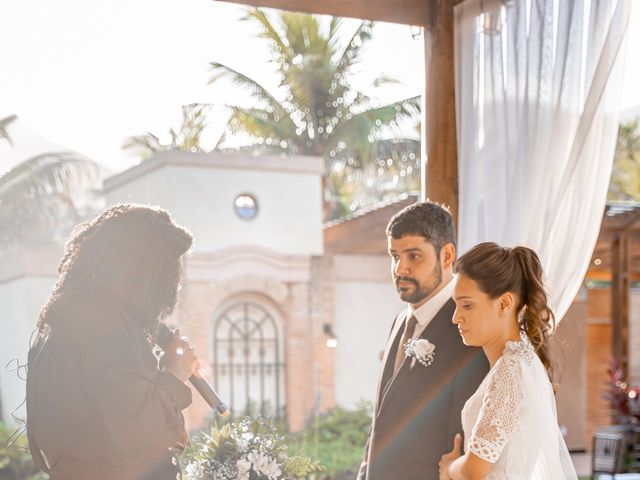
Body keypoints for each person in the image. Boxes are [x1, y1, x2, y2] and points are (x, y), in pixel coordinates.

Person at [26, 204, 200, 480]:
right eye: (167, 270)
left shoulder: (65, 320)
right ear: (143, 269)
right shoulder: (103, 326)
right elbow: (136, 435)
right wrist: (175, 375)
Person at [358, 201, 489, 480]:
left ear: (446, 255)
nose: (399, 269)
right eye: (394, 256)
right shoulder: (399, 323)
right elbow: (381, 422)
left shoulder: (469, 332)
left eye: (413, 256)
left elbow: (461, 440)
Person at [438, 242, 578, 480]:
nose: (455, 317)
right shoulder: (522, 360)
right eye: (456, 304)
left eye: (467, 305)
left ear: (504, 303)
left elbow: (474, 470)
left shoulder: (511, 370)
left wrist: (449, 467)